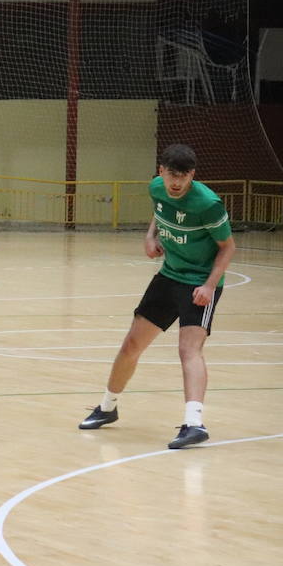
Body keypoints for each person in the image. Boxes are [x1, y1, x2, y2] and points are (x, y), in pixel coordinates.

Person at [79, 144, 236, 449]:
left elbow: (228, 247)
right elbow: (161, 212)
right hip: (168, 275)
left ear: (192, 174)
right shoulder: (157, 188)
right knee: (131, 344)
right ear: (161, 171)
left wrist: (209, 286)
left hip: (198, 282)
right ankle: (108, 407)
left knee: (188, 349)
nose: (176, 183)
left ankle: (194, 424)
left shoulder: (208, 204)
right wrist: (150, 236)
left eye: (184, 176)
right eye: (171, 175)